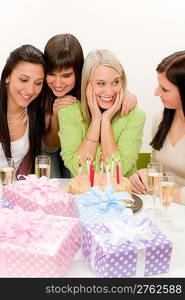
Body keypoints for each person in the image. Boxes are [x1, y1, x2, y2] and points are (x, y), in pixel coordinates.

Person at [43, 33, 139, 177]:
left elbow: (107, 82)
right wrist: (56, 115)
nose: (58, 84)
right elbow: (51, 147)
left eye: (66, 76)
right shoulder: (41, 92)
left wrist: (128, 95)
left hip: (82, 153)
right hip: (52, 148)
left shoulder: (90, 85)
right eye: (51, 74)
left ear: (79, 73)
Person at [129, 51, 185, 206]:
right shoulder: (160, 119)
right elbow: (158, 168)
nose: (156, 92)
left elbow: (161, 184)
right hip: (165, 210)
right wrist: (142, 177)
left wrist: (158, 186)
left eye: (165, 89)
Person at [0, 44, 47, 175]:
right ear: (7, 76)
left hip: (11, 192)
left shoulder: (34, 115)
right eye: (24, 79)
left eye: (38, 83)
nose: (30, 90)